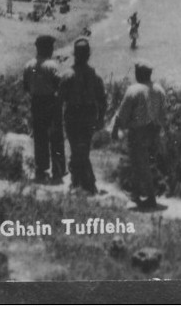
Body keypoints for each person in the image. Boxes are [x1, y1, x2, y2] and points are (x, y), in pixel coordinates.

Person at [111, 61, 167, 210]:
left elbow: (122, 114)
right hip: (154, 131)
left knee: (139, 163)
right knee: (144, 163)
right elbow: (163, 115)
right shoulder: (159, 89)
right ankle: (136, 193)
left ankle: (150, 197)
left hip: (139, 132)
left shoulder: (134, 90)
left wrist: (115, 129)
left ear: (139, 74)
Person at [60, 38, 108, 195]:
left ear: (75, 55)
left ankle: (81, 182)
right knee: (84, 149)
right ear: (88, 55)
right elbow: (102, 99)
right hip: (88, 115)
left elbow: (60, 98)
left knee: (76, 148)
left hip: (73, 114)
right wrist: (100, 118)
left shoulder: (67, 75)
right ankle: (84, 182)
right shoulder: (95, 75)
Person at [23, 35, 66, 184]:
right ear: (48, 48)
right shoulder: (51, 65)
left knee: (40, 137)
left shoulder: (29, 65)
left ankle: (41, 170)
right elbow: (58, 85)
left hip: (36, 102)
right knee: (56, 137)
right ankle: (58, 171)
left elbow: (26, 86)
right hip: (50, 102)